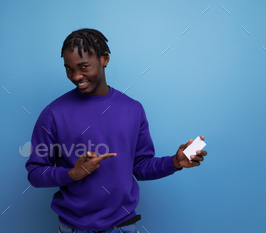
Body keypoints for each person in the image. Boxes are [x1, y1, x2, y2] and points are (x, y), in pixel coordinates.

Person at [25, 28, 208, 233]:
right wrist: (73, 173)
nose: (76, 76)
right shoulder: (53, 113)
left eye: (84, 66)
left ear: (105, 59)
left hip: (122, 227)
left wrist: (174, 163)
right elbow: (35, 172)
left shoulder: (133, 109)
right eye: (69, 69)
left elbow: (140, 166)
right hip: (73, 228)